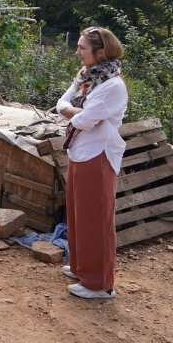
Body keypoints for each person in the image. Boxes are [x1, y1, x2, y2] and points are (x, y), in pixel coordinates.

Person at [56, 26, 127, 300]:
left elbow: (83, 119)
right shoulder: (87, 77)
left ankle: (100, 284)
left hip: (99, 154)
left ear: (101, 52)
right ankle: (82, 268)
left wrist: (74, 112)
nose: (77, 52)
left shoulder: (112, 86)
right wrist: (76, 111)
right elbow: (63, 102)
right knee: (78, 214)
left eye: (82, 48)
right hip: (80, 150)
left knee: (96, 218)